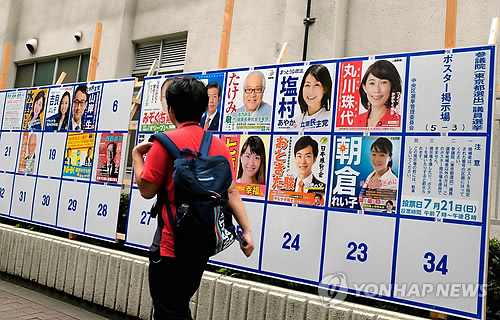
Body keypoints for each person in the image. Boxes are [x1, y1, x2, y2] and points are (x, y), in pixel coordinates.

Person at [132, 76, 254, 319]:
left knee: (169, 310)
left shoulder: (163, 143)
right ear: (202, 108)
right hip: (201, 244)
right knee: (177, 304)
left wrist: (137, 157)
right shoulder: (219, 146)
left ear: (171, 110)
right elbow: (231, 192)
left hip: (169, 245)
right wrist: (247, 231)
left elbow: (147, 191)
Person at [353, 60, 402, 127]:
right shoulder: (357, 120)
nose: (377, 90)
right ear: (364, 87)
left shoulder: (399, 122)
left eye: (383, 82)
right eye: (372, 83)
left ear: (392, 87)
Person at [359, 137, 398, 211]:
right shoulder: (370, 176)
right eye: (374, 154)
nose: (377, 159)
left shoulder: (393, 183)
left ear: (390, 157)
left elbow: (388, 211)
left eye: (382, 155)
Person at [295, 64, 332, 129]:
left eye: (317, 85)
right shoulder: (295, 122)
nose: (311, 91)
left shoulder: (331, 120)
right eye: (307, 85)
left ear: (325, 89)